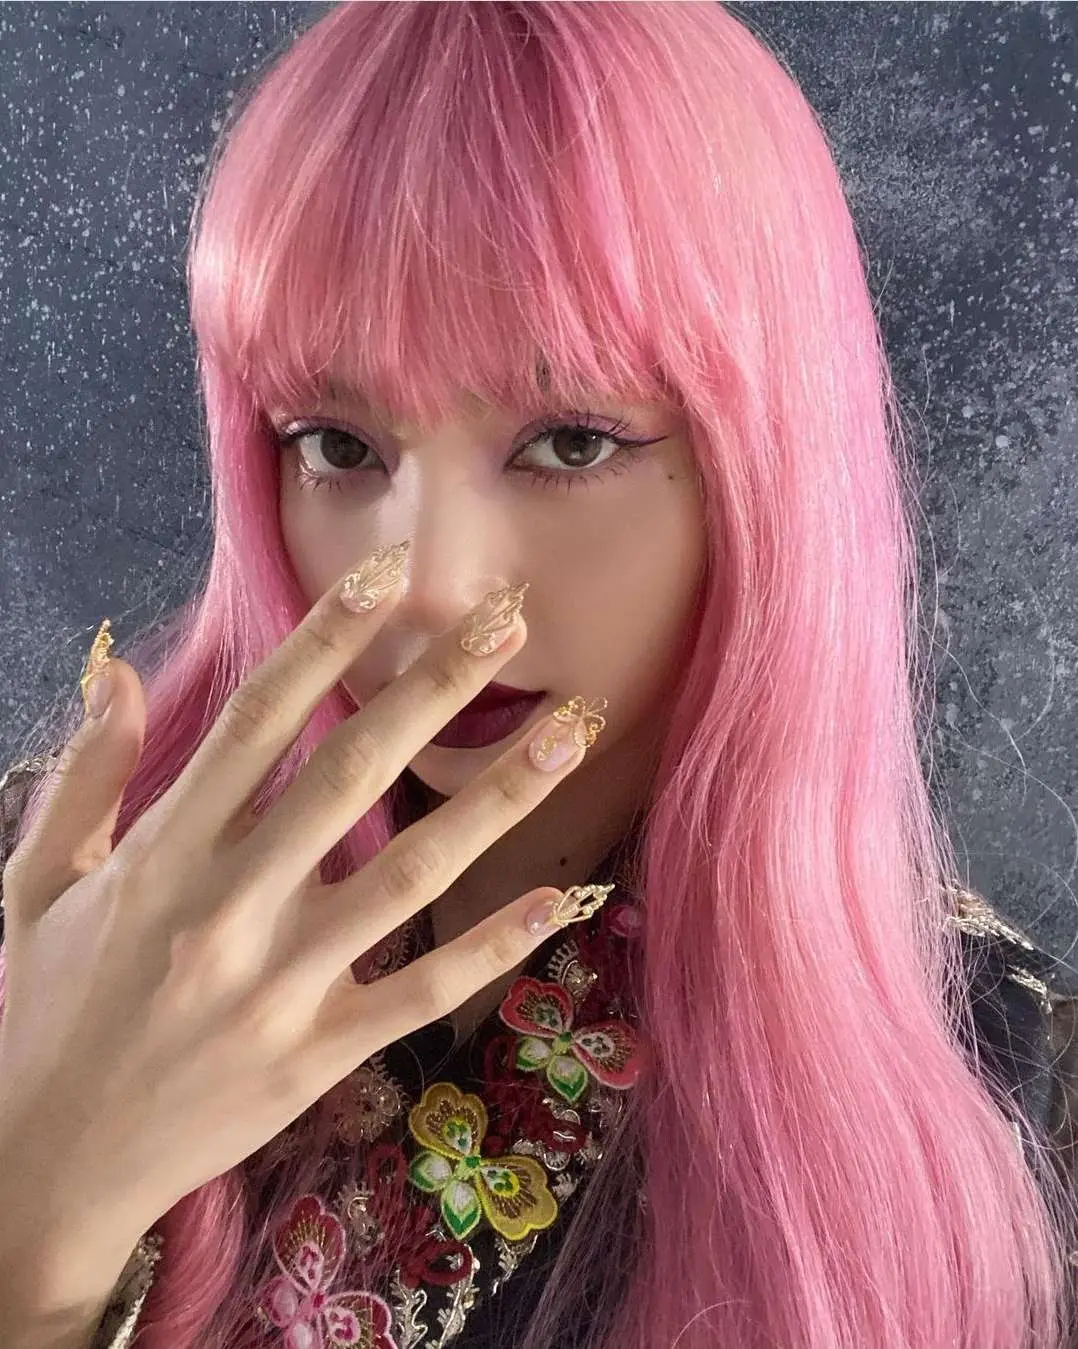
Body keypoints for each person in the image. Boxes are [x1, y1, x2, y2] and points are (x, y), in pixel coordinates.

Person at [1, 3, 1077, 1347]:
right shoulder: (65, 893)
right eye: (334, 443)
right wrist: (37, 1218)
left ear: (761, 466)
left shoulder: (999, 1094)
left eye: (571, 443)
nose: (435, 585)